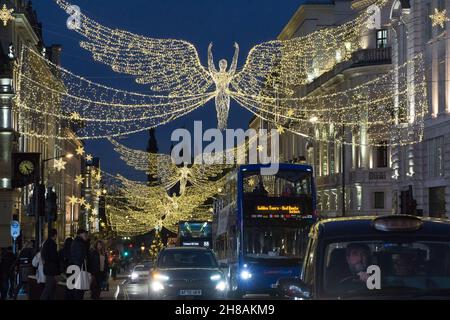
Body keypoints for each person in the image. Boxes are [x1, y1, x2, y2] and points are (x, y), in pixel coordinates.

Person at [67, 229, 89, 300]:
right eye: (84, 234)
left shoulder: (79, 242)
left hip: (76, 267)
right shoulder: (79, 243)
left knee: (77, 288)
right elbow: (80, 256)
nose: (86, 235)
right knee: (78, 289)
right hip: (78, 268)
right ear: (80, 234)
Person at [40, 229, 59, 300]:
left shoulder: (46, 243)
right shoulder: (51, 244)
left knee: (50, 289)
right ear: (55, 235)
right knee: (49, 288)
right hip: (51, 269)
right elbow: (53, 256)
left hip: (47, 268)